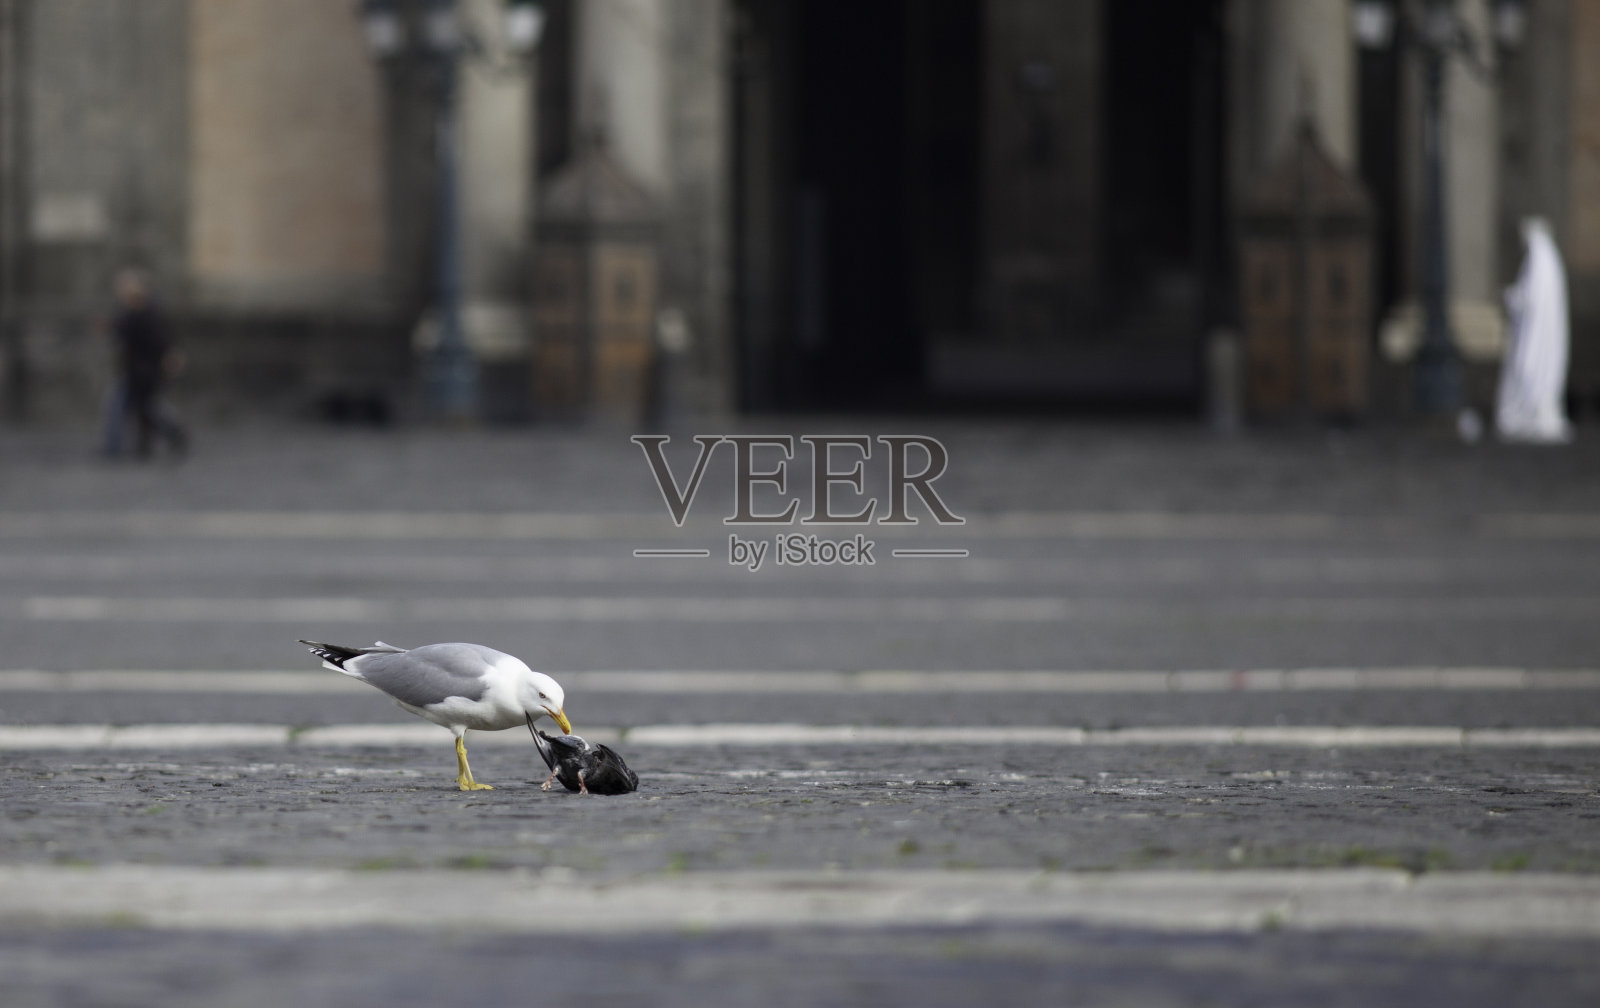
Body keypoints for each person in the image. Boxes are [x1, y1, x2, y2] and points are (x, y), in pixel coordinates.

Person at [110, 269, 188, 459]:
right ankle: (146, 444)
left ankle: (169, 436)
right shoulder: (136, 314)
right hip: (138, 368)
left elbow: (159, 340)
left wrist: (169, 356)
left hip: (146, 369)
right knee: (144, 408)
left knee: (146, 407)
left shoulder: (146, 315)